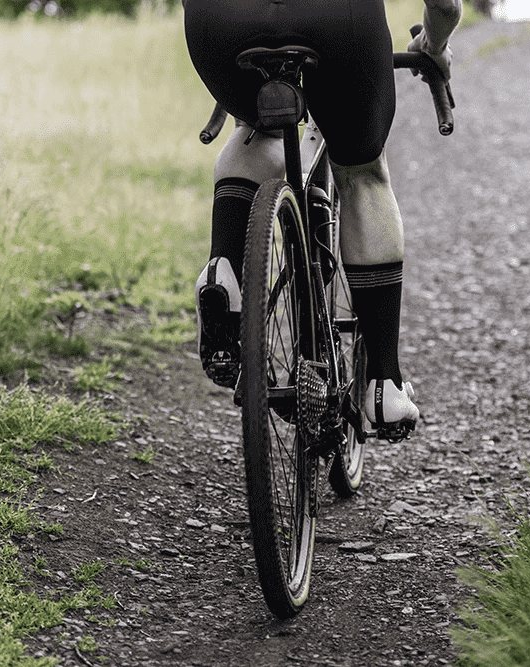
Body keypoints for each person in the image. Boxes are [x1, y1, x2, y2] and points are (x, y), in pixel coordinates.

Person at [184, 0, 462, 439]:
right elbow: (444, 4)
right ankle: (383, 386)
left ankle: (223, 271)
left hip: (218, 23)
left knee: (256, 130)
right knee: (363, 173)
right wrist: (435, 44)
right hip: (339, 21)